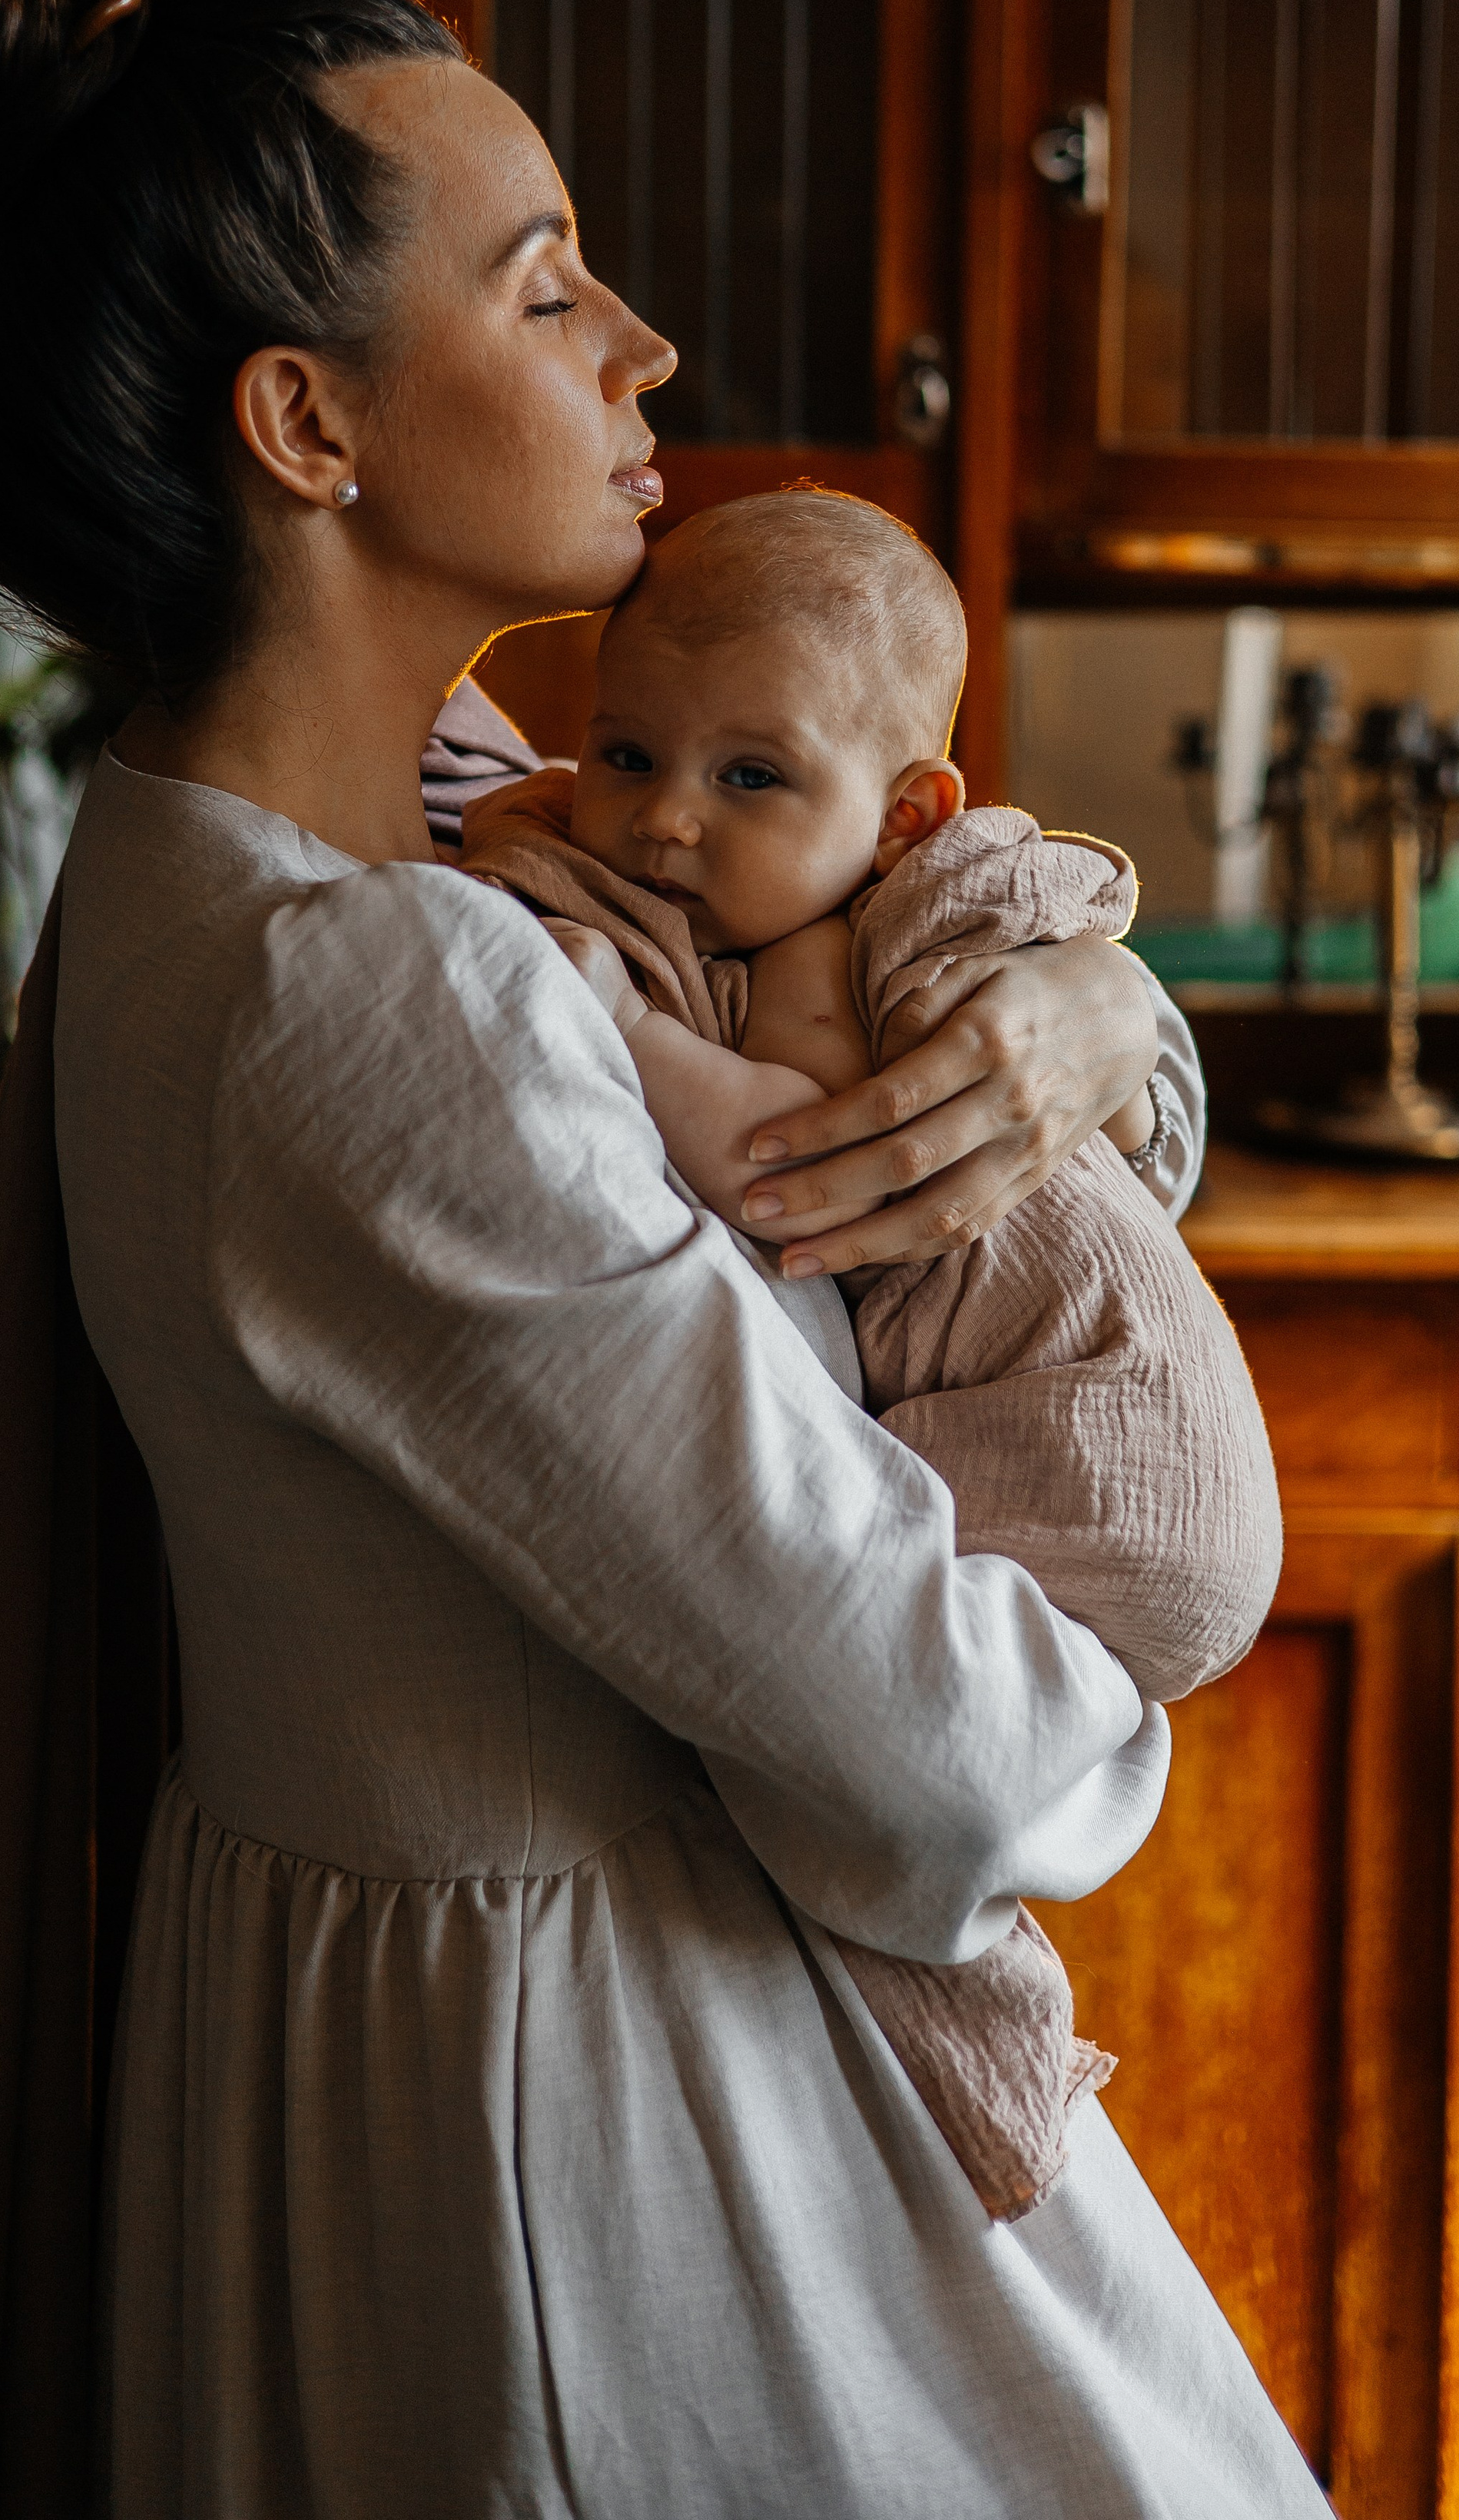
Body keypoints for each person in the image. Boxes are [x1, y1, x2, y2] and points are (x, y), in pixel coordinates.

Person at [0, 0, 1325, 2515]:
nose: (641, 345)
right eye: (545, 290)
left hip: (366, 2026)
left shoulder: (280, 828)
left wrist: (1099, 1016)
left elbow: (892, 978)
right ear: (311, 429)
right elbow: (937, 1746)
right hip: (603, 2127)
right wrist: (1124, 1688)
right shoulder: (387, 996)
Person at [461, 488, 1282, 2222]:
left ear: (908, 815)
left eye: (749, 778)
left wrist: (608, 1021)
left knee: (838, 1769)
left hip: (1102, 1442)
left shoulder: (841, 946)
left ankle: (970, 2042)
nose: (667, 820)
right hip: (1121, 1471)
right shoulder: (552, 831)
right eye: (625, 752)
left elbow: (793, 1161)